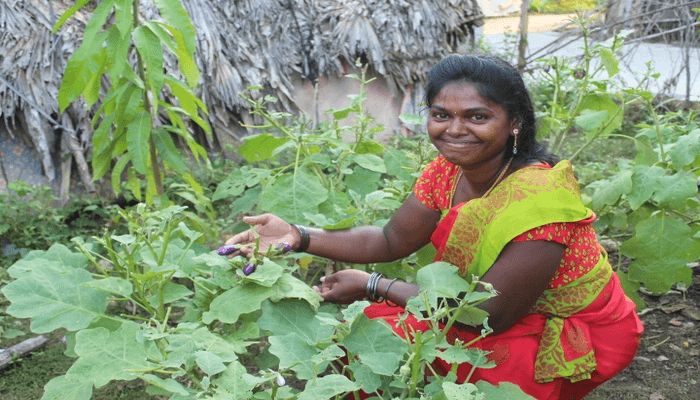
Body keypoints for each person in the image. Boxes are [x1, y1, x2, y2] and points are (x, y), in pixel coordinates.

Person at [223, 53, 643, 400]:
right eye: (442, 114)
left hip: (571, 330)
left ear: (514, 122)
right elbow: (392, 240)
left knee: (404, 339)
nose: (455, 130)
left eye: (477, 117)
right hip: (489, 309)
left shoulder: (541, 200)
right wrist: (300, 236)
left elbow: (488, 316)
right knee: (375, 334)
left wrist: (374, 285)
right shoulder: (448, 171)